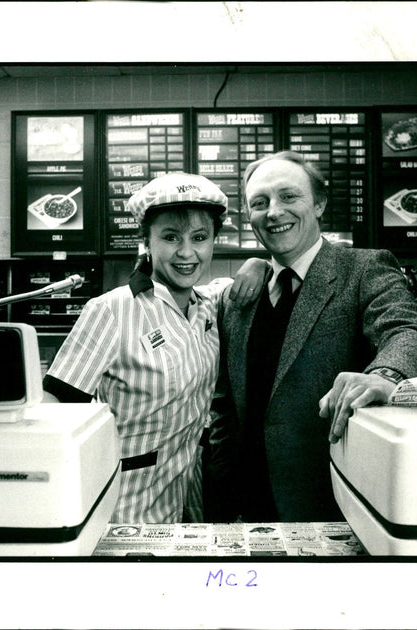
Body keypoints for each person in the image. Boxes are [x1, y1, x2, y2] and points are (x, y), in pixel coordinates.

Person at [208, 151, 417, 523]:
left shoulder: (362, 269)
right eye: (260, 203)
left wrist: (383, 376)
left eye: (289, 197)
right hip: (245, 506)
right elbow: (226, 407)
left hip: (333, 501)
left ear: (320, 203)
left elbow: (405, 330)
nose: (274, 211)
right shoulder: (236, 298)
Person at [42, 172, 267, 524]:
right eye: (170, 237)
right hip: (121, 504)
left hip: (188, 500)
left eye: (199, 238)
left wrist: (260, 263)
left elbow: (249, 281)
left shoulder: (209, 305)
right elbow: (54, 410)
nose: (187, 252)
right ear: (146, 240)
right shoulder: (111, 310)